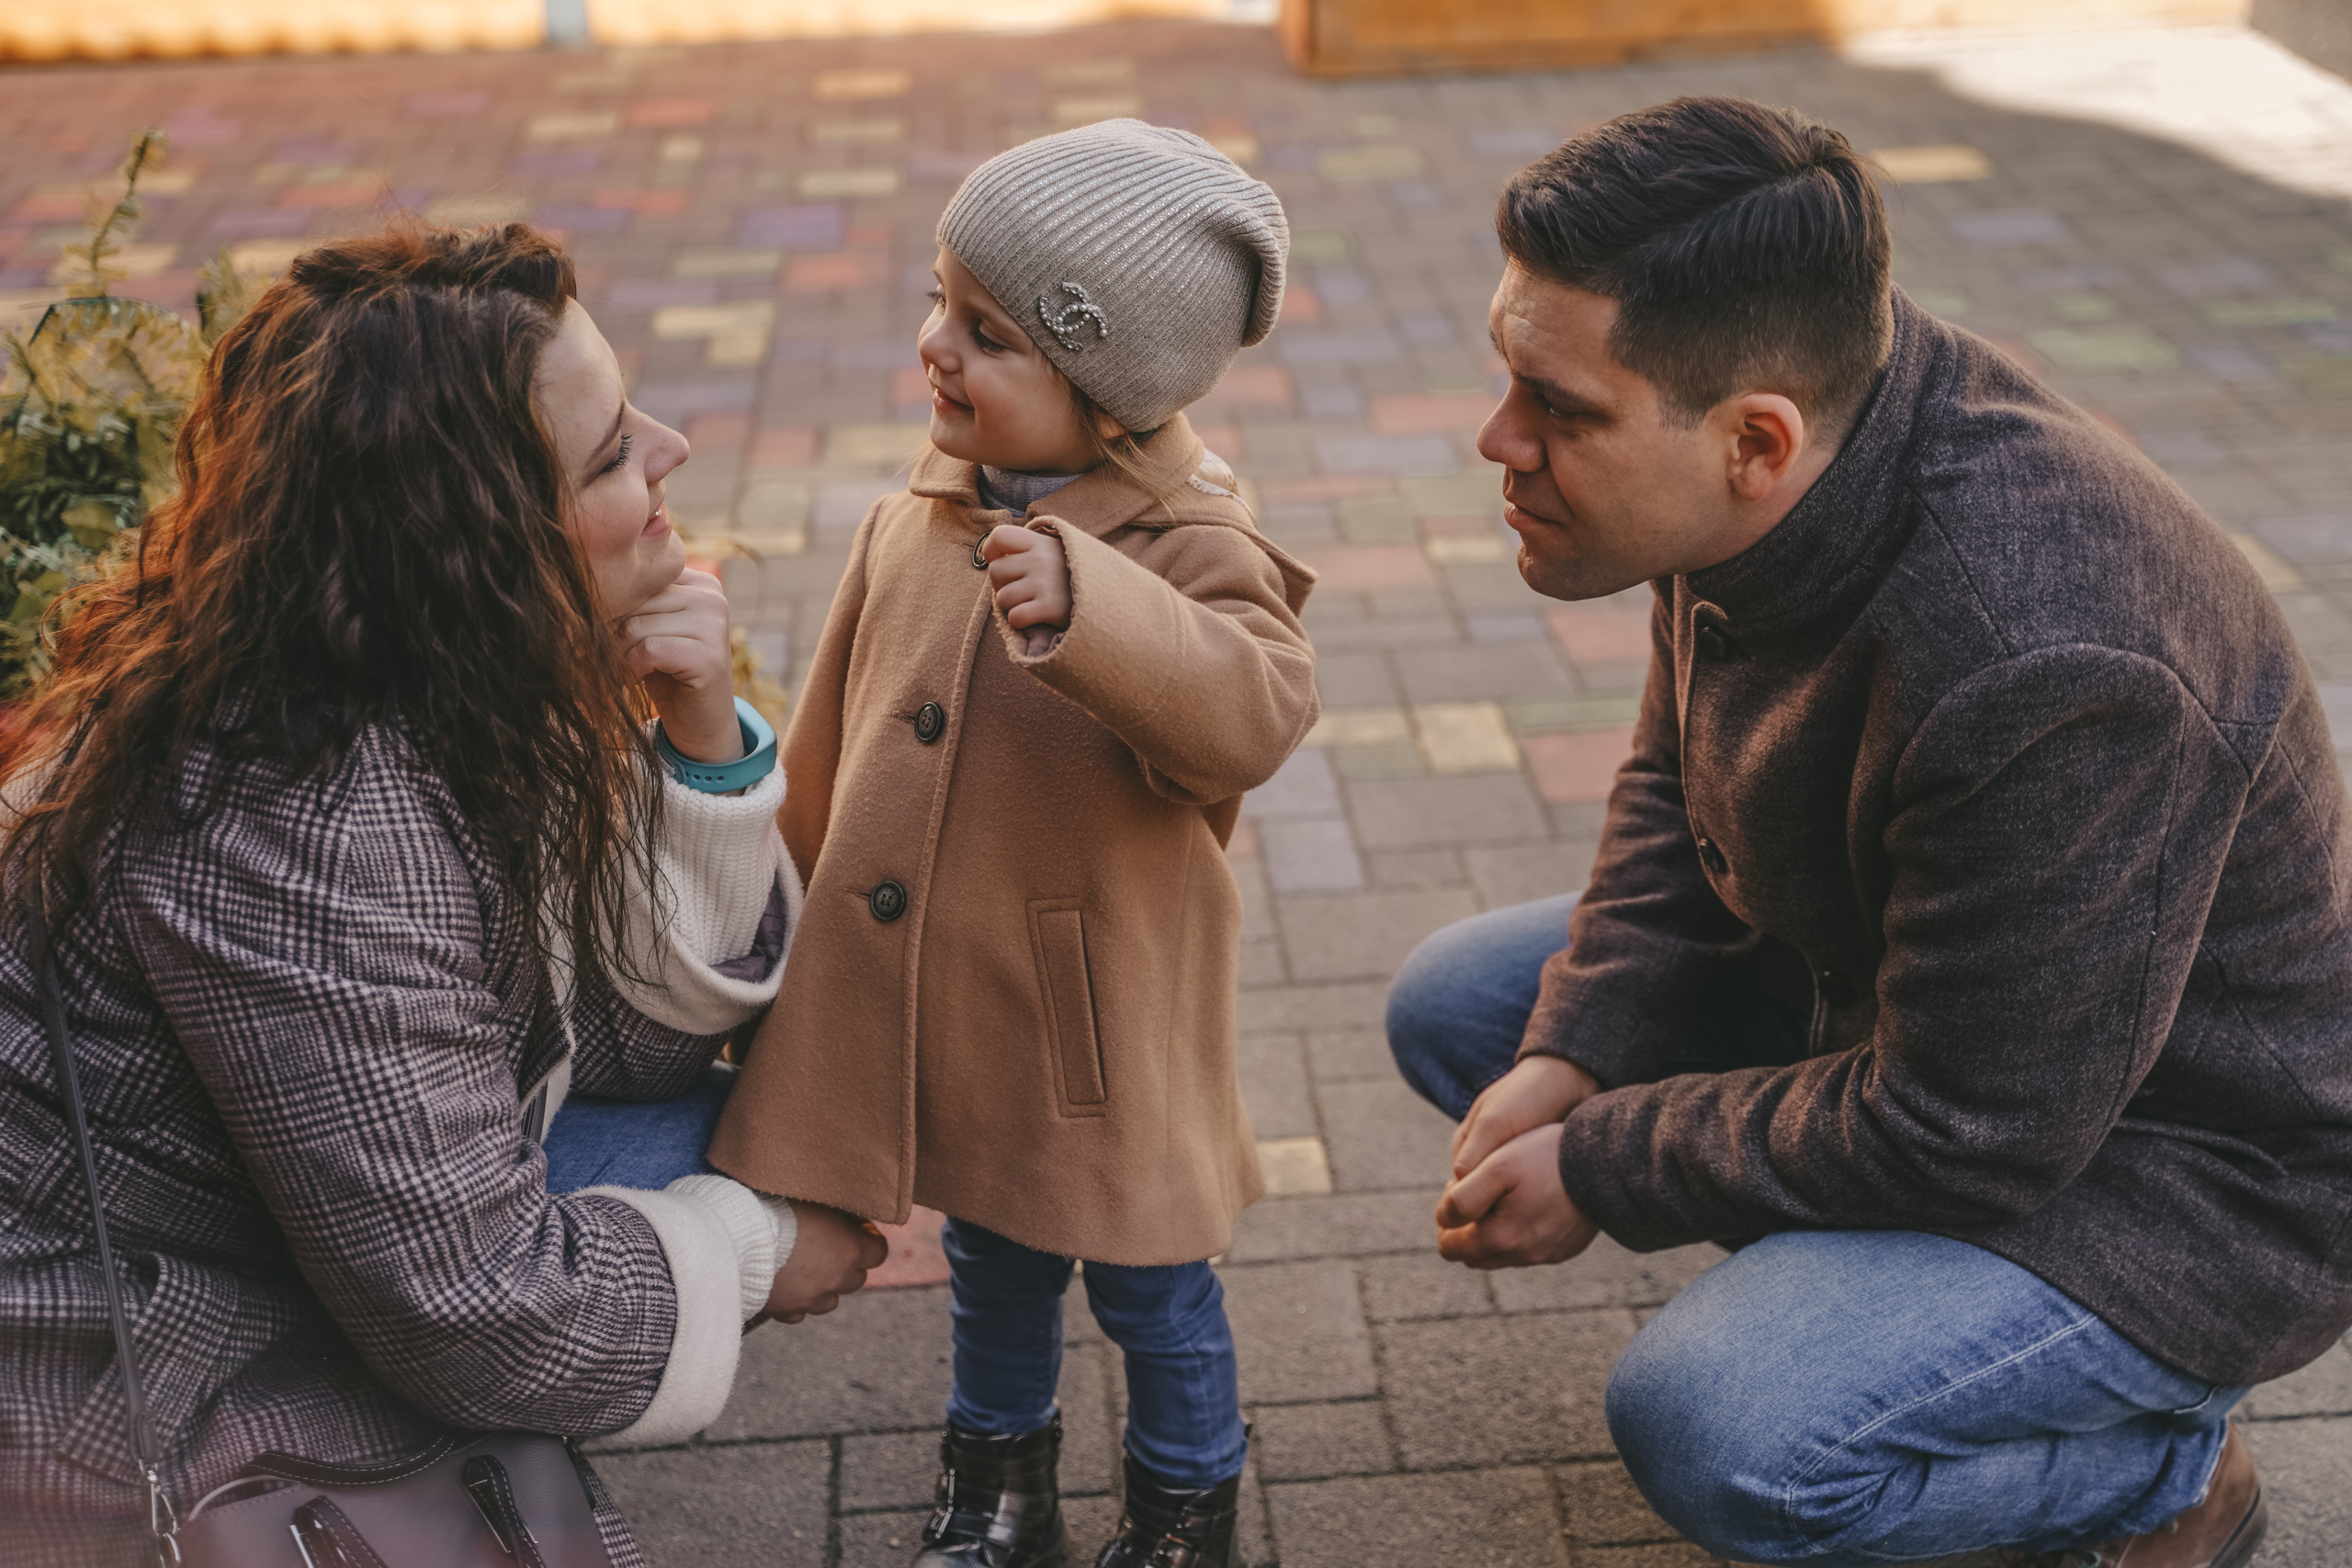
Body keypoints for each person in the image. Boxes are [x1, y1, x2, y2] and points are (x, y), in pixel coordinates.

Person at [1384, 97, 2352, 1568]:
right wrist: (1570, 1055)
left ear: (1754, 443)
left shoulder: (2046, 657)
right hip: (1933, 1019)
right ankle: (1898, 1333)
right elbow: (1677, 782)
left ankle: (2164, 1465)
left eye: (1560, 410)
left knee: (1724, 1434)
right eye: (1510, 377)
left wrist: (1606, 1160)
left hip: (2181, 1164)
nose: (1496, 438)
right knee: (1471, 1010)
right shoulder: (1789, 422)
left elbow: (1969, 1130)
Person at [0, 223, 885, 1566]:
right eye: (605, 457)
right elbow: (478, 1309)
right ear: (476, 534)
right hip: (113, 1346)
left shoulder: (433, 669)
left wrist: (701, 739)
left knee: (752, 1121)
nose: (669, 452)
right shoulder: (294, 814)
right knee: (719, 1195)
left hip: (267, 1217)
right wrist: (758, 1246)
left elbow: (625, 1053)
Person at [705, 120, 1313, 1568]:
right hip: (964, 1007)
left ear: (1105, 395)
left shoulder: (1187, 544)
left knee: (1155, 1280)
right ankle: (999, 1496)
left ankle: (1184, 1510)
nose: (935, 346)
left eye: (988, 333)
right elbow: (828, 753)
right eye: (939, 301)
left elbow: (1255, 712)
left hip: (1102, 1019)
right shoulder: (913, 519)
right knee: (990, 1259)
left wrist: (1095, 609)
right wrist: (763, 914)